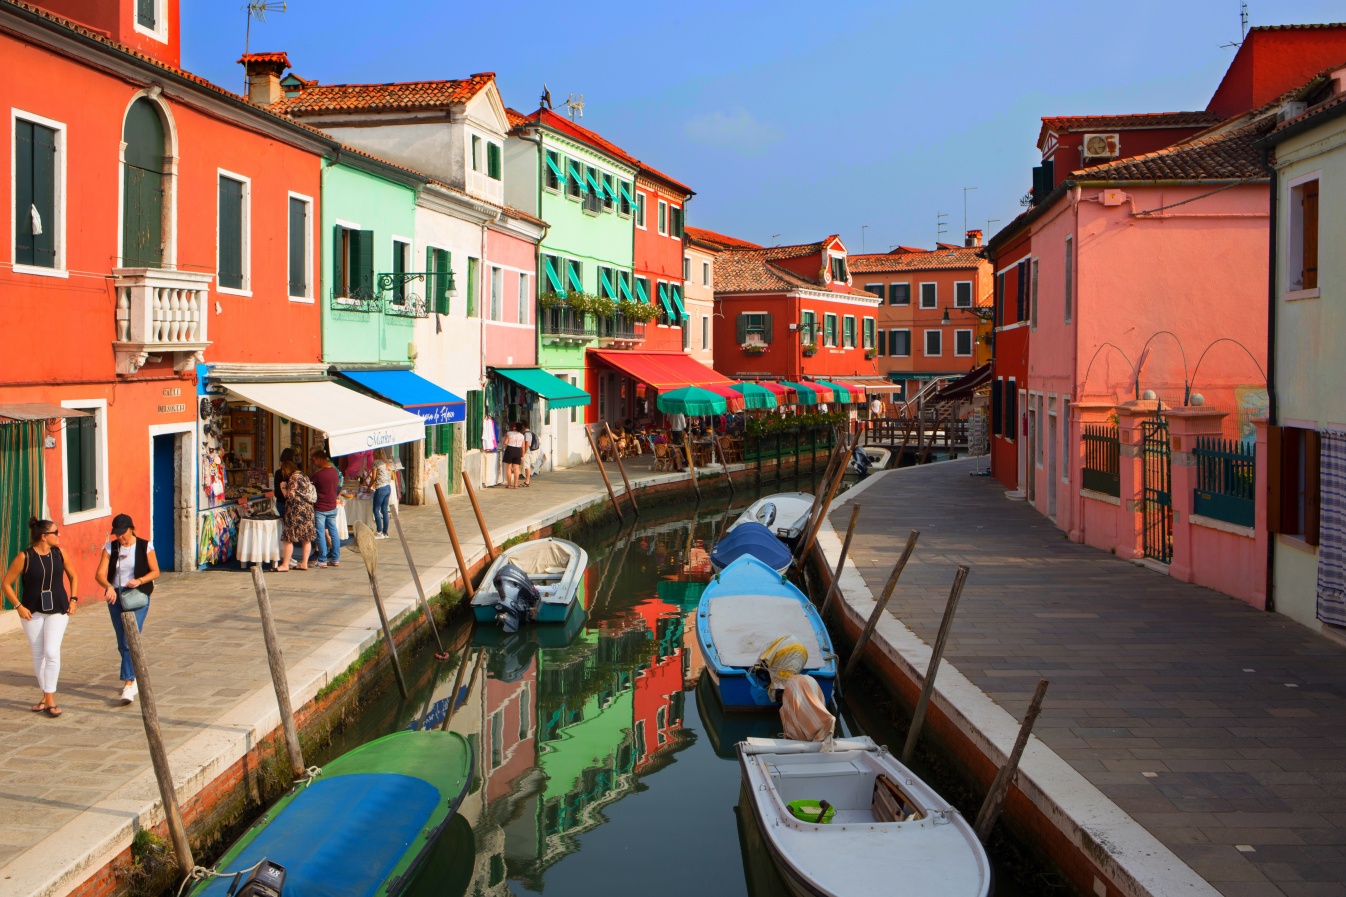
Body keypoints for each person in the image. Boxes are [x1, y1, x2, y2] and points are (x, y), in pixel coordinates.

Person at [2, 518, 78, 717]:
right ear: (44, 537)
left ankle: (50, 698)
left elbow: (73, 576)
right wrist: (18, 606)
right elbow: (6, 584)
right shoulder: (24, 557)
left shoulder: (60, 553)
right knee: (38, 654)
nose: (59, 535)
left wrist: (74, 599)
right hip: (32, 612)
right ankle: (46, 696)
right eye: (55, 532)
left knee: (51, 652)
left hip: (58, 610)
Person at [95, 514, 159, 705]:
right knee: (121, 642)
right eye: (117, 534)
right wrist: (107, 586)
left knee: (130, 638)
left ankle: (128, 683)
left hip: (137, 596)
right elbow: (99, 574)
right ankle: (134, 676)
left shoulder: (144, 546)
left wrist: (139, 580)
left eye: (123, 534)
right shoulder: (110, 548)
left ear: (131, 529)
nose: (120, 538)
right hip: (115, 596)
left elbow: (155, 571)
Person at [277, 460, 316, 571]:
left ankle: (285, 564)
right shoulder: (304, 476)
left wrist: (283, 488)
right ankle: (304, 563)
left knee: (289, 537)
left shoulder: (294, 478)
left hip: (296, 511)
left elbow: (290, 496)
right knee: (306, 537)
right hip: (308, 509)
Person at [310, 448, 341, 567]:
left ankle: (322, 559)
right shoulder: (334, 472)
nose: (314, 463)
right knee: (333, 532)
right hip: (332, 506)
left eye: (315, 460)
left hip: (320, 507)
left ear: (319, 459)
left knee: (321, 533)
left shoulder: (318, 474)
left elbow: (311, 488)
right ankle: (336, 558)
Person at [369, 449, 392, 540]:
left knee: (376, 509)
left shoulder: (376, 463)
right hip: (387, 487)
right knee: (385, 509)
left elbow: (373, 477)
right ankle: (385, 532)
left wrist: (369, 487)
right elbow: (389, 478)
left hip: (381, 488)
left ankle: (379, 531)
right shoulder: (386, 463)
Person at [502, 422, 526, 489]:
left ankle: (509, 484)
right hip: (518, 451)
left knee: (508, 468)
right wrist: (522, 454)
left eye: (514, 426)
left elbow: (505, 442)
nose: (513, 427)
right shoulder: (522, 436)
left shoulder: (509, 433)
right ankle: (515, 484)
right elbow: (523, 446)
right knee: (516, 469)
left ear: (515, 427)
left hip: (510, 450)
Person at [273, 447, 294, 517]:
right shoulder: (294, 473)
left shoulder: (278, 473)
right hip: (291, 503)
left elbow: (277, 492)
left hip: (281, 503)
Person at [522, 422, 539, 486]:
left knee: (527, 467)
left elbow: (527, 444)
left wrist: (523, 452)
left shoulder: (527, 434)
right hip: (527, 452)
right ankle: (527, 481)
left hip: (527, 453)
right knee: (526, 466)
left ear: (523, 426)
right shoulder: (527, 433)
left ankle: (527, 481)